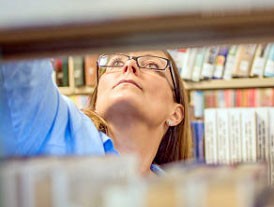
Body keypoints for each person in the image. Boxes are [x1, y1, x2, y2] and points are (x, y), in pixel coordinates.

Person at [0, 50, 192, 176]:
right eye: (116, 62)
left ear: (175, 114)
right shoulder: (57, 123)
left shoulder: (181, 192)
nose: (129, 66)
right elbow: (20, 72)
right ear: (97, 95)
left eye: (151, 65)